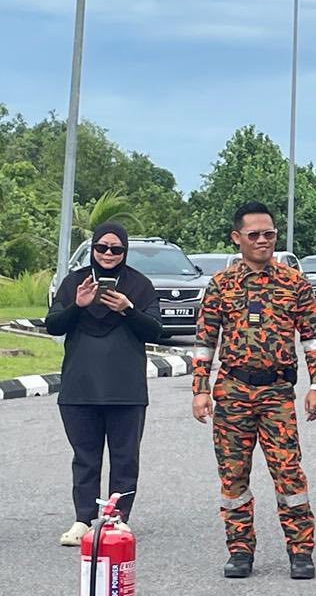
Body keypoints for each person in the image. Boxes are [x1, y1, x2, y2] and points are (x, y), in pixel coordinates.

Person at [190, 202, 316, 580]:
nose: (263, 240)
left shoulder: (294, 283)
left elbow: (313, 339)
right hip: (232, 391)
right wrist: (200, 390)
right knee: (233, 477)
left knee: (289, 475)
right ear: (237, 238)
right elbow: (205, 341)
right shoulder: (221, 285)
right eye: (254, 235)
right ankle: (239, 551)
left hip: (277, 393)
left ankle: (300, 551)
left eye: (269, 234)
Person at [47, 223, 162, 547]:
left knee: (125, 459)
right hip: (80, 388)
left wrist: (127, 309)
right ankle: (83, 519)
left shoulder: (139, 285)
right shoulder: (75, 282)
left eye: (116, 249)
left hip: (126, 390)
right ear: (93, 249)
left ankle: (117, 519)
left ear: (125, 252)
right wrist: (77, 305)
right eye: (102, 248)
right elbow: (53, 325)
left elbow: (154, 330)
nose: (108, 254)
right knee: (85, 457)